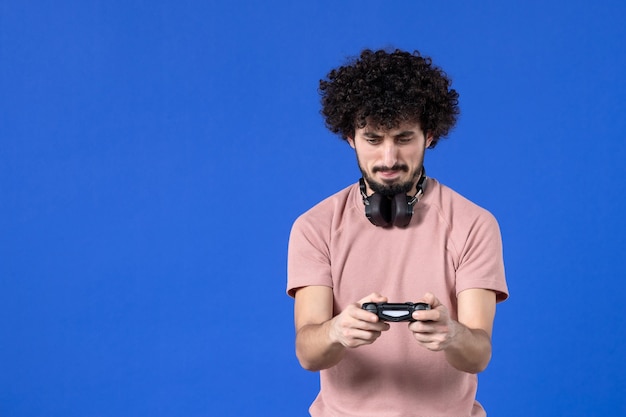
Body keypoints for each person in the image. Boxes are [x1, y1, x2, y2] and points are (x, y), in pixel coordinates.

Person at [286, 48, 509, 417]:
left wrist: (452, 335)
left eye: (404, 138)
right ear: (350, 137)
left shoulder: (474, 224)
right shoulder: (314, 226)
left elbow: (478, 353)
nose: (389, 158)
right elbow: (308, 352)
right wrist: (337, 331)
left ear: (430, 135)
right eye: (373, 139)